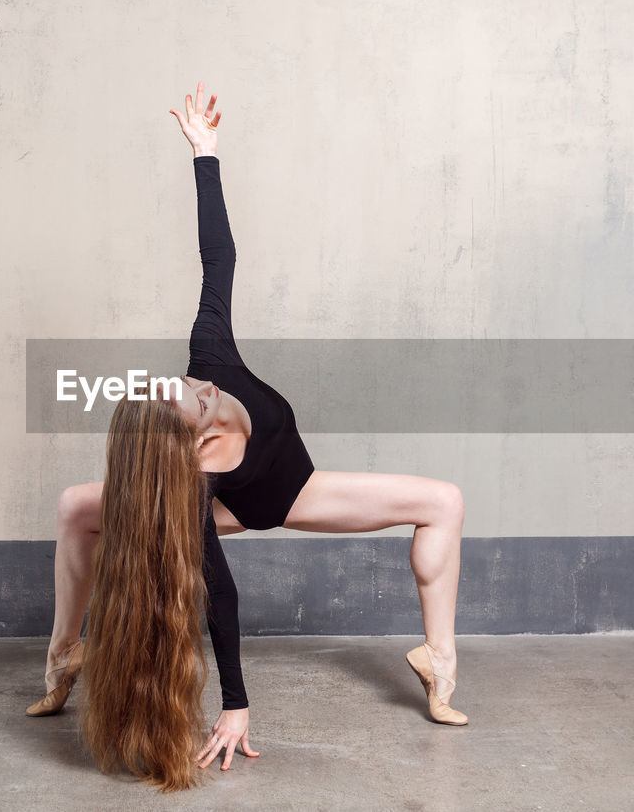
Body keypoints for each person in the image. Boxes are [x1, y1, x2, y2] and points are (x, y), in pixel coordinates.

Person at [28, 81, 469, 787]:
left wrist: (205, 156)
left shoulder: (211, 354)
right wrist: (235, 703)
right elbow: (219, 595)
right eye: (189, 402)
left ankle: (438, 664)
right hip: (228, 508)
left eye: (177, 384)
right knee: (75, 508)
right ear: (195, 444)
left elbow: (218, 260)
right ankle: (62, 654)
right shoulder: (193, 486)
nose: (195, 386)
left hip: (297, 493)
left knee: (443, 500)